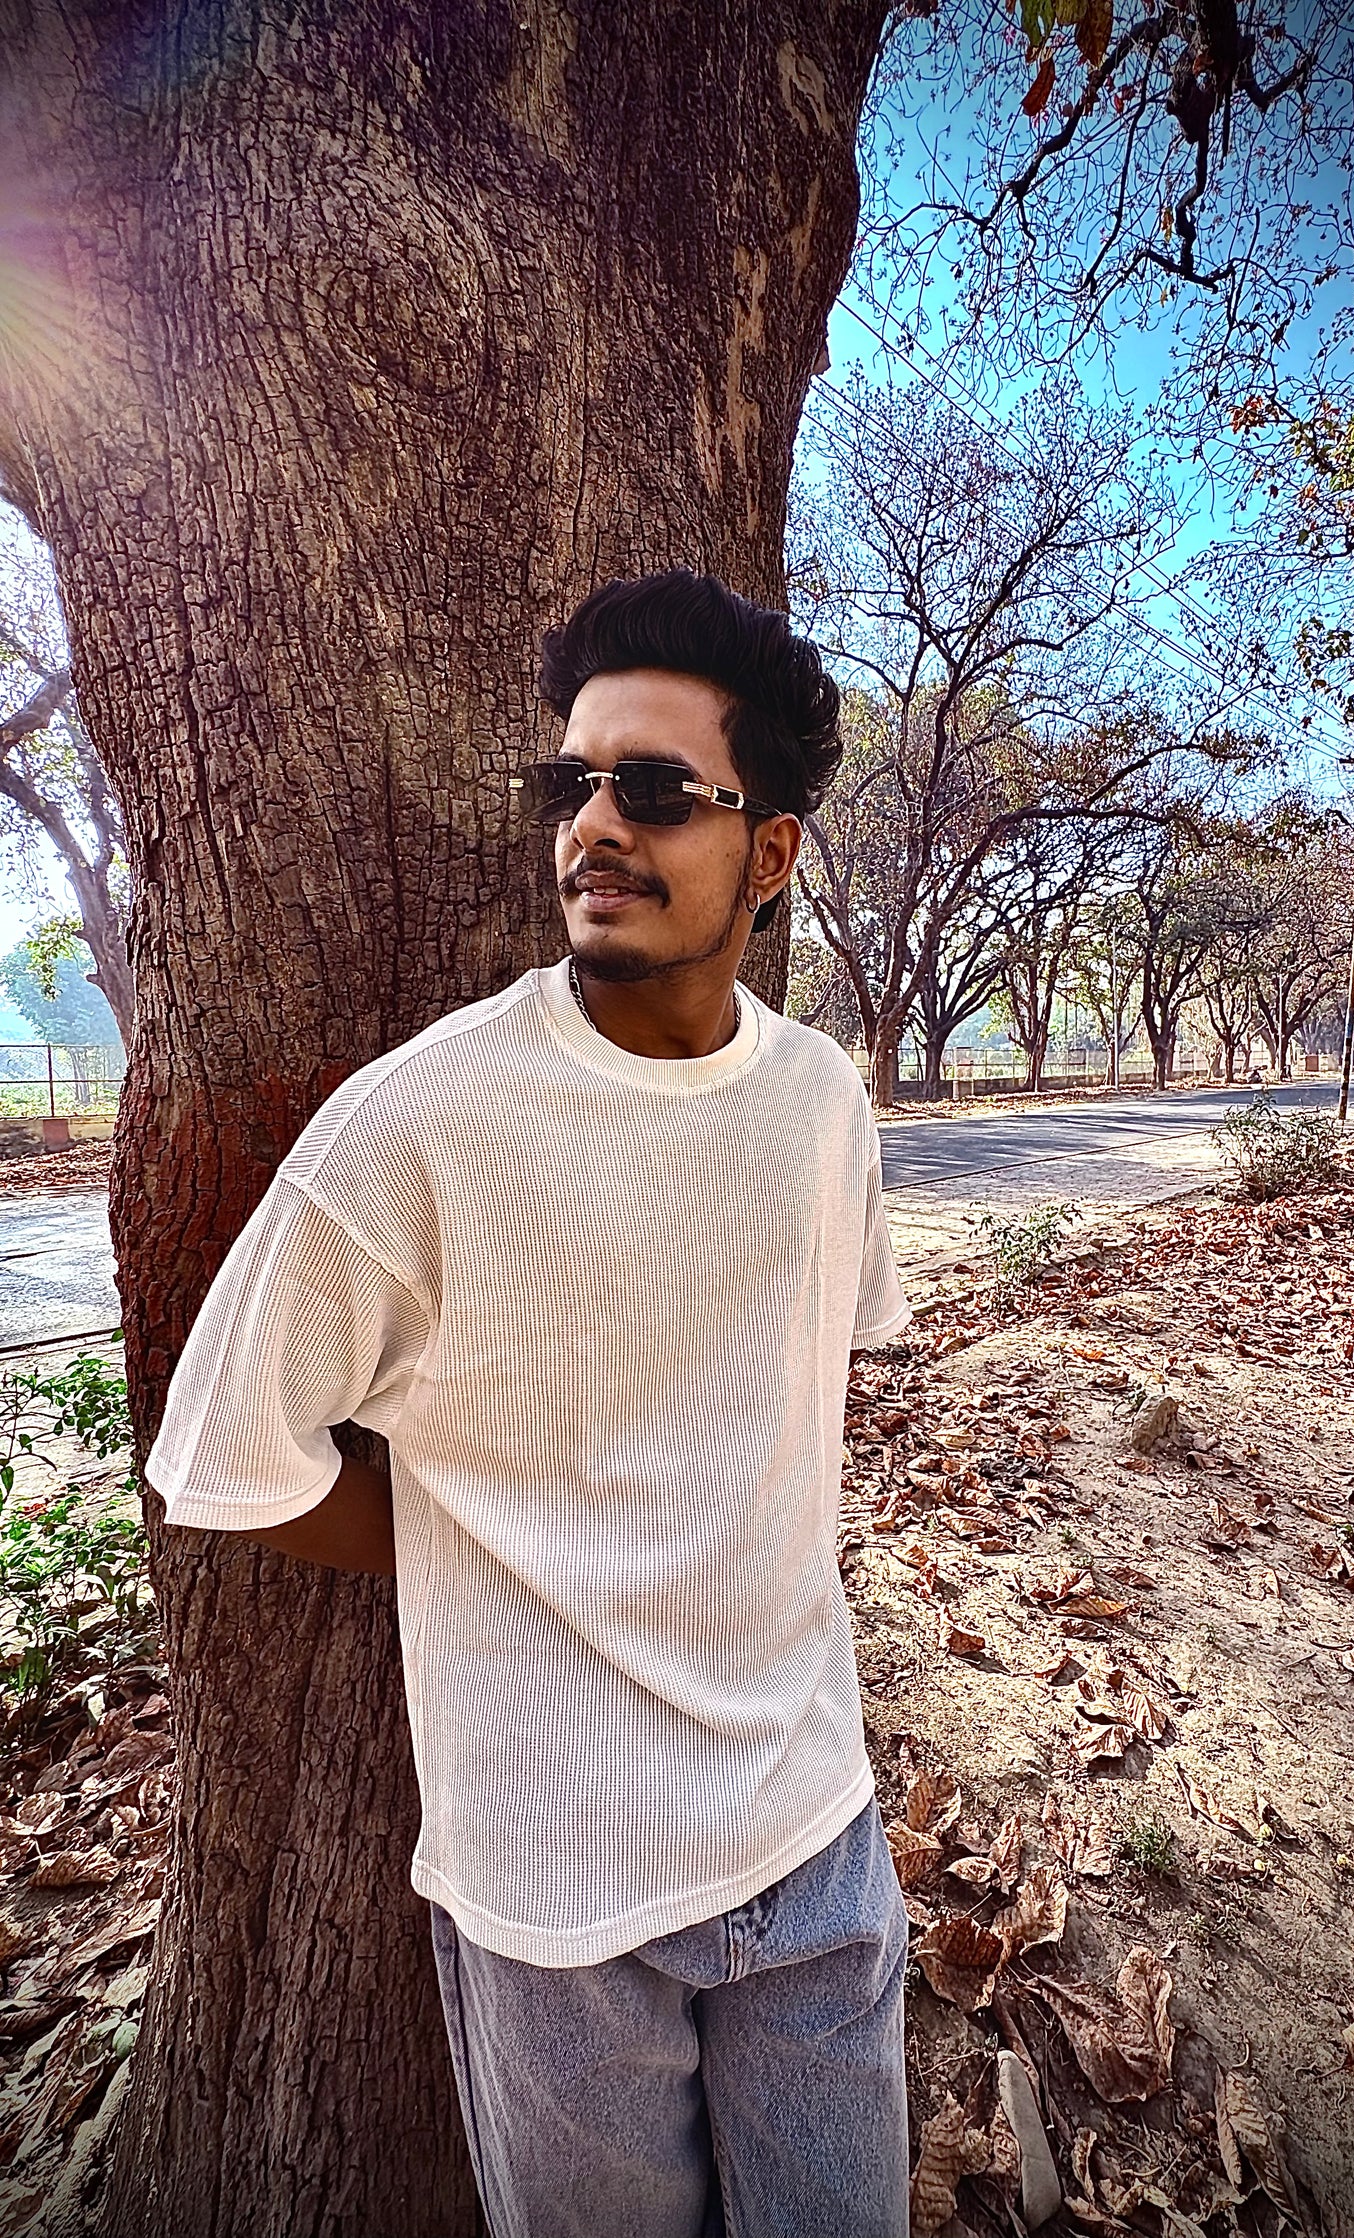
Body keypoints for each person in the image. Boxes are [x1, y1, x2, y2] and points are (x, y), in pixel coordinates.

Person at [148, 570, 913, 2238]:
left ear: (767, 854)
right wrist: (471, 1535)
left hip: (813, 1829)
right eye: (569, 783)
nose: (593, 826)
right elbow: (227, 1462)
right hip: (558, 1896)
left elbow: (796, 1388)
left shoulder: (821, 1103)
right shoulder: (411, 1128)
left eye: (652, 790)